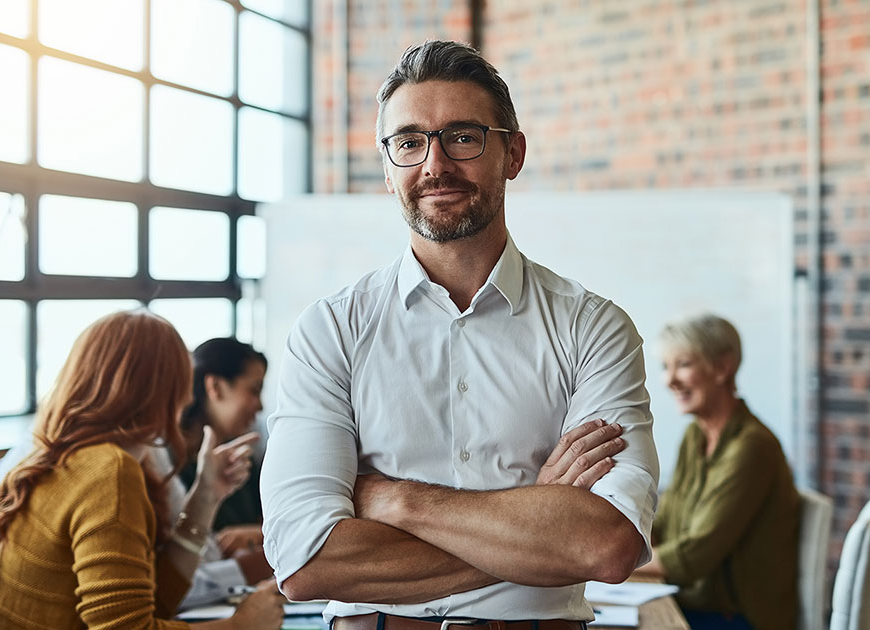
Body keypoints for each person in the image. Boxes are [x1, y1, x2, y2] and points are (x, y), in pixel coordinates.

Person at [261, 40, 660, 630]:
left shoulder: (592, 327)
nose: (435, 165)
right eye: (409, 142)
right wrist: (537, 523)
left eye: (464, 137)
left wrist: (397, 500)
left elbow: (605, 545)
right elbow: (305, 562)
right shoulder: (330, 332)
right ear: (388, 164)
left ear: (513, 153)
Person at [0, 310, 285, 630]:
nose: (189, 395)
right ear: (162, 389)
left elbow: (151, 602)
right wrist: (239, 626)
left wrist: (205, 497)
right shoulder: (109, 471)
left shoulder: (73, 455)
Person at [635, 314, 800, 630]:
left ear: (723, 367)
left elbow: (694, 556)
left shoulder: (753, 447)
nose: (670, 380)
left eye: (683, 364)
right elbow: (664, 523)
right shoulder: (694, 437)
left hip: (739, 619)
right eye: (665, 367)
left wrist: (613, 560)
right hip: (696, 604)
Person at [178, 338, 272, 579]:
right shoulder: (170, 466)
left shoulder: (246, 462)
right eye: (254, 390)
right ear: (215, 387)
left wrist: (259, 534)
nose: (259, 406)